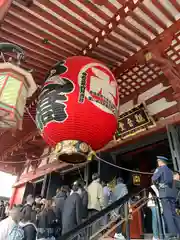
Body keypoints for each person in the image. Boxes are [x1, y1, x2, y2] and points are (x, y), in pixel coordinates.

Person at [152, 156, 180, 239]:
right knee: (174, 213)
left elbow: (154, 178)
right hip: (171, 194)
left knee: (167, 214)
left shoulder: (160, 169)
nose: (158, 162)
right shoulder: (171, 171)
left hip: (164, 193)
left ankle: (172, 234)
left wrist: (158, 187)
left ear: (160, 162)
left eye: (158, 161)